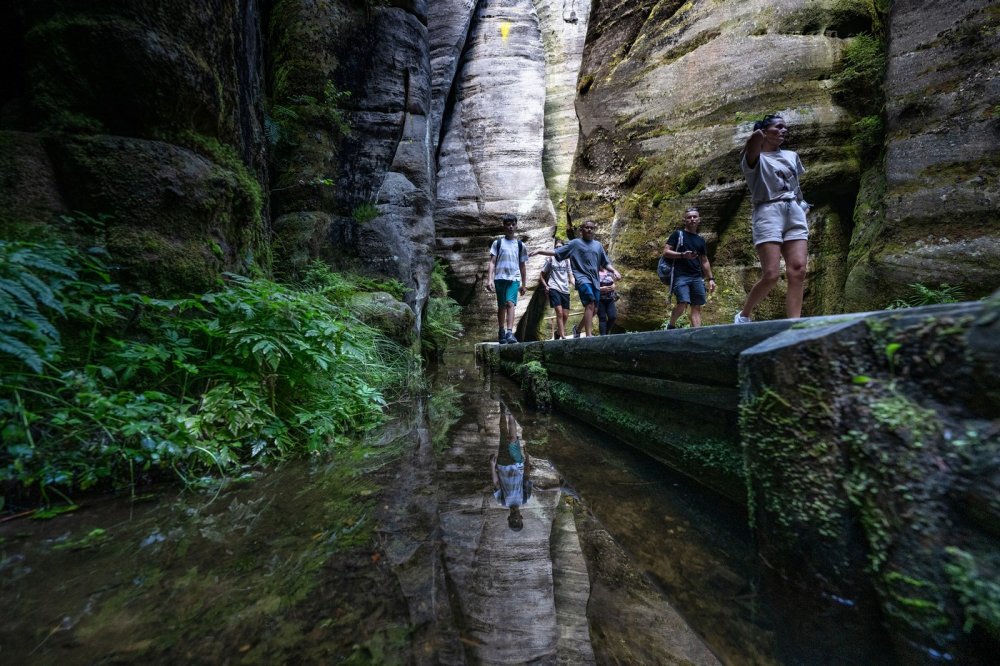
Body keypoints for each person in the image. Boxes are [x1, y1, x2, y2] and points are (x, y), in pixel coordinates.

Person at [734, 114, 810, 324]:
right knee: (771, 274)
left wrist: (801, 206)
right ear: (765, 132)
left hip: (793, 210)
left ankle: (793, 323)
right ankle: (744, 316)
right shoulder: (754, 158)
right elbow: (752, 144)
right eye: (779, 127)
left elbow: (795, 185)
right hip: (768, 211)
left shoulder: (791, 155)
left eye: (785, 127)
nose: (784, 131)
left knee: (798, 270)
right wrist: (760, 133)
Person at [531, 222, 621, 338]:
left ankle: (577, 330)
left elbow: (605, 263)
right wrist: (540, 251)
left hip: (595, 280)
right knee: (590, 303)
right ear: (581, 230)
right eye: (587, 228)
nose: (589, 230)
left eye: (592, 228)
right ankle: (588, 336)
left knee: (594, 310)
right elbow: (556, 252)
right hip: (582, 279)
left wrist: (614, 271)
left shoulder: (598, 246)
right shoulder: (575, 244)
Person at [664, 207, 716, 329]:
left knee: (696, 306)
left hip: (697, 277)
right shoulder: (678, 234)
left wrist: (711, 279)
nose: (692, 219)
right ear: (685, 220)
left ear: (699, 220)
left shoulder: (700, 240)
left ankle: (697, 334)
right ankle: (671, 326)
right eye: (689, 217)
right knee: (683, 302)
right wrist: (682, 255)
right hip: (680, 276)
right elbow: (666, 252)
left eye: (694, 217)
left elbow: (704, 260)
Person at [485, 213, 528, 344]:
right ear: (504, 226)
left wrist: (524, 284)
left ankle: (510, 333)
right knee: (502, 306)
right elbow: (492, 262)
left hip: (514, 279)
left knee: (510, 303)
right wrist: (490, 279)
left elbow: (522, 266)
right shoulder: (497, 243)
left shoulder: (520, 245)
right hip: (499, 278)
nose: (510, 227)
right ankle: (501, 331)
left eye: (513, 224)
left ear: (516, 226)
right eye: (508, 224)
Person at [490, 405, 532, 531]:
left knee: (503, 434)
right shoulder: (525, 498)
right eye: (517, 521)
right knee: (513, 439)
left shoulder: (502, 501)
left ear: (508, 519)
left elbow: (496, 483)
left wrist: (492, 466)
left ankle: (503, 409)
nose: (515, 519)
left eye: (512, 521)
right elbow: (526, 477)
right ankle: (511, 412)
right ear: (521, 517)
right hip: (517, 465)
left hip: (502, 465)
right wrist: (527, 457)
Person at [539, 240, 574, 339]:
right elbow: (541, 275)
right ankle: (563, 336)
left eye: (560, 247)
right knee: (559, 312)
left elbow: (570, 276)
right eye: (556, 247)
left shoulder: (567, 261)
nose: (558, 249)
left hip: (565, 289)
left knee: (566, 315)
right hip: (553, 287)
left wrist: (576, 284)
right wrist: (546, 285)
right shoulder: (551, 259)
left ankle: (558, 332)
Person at [597, 267, 618, 335]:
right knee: (602, 318)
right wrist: (600, 289)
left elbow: (614, 281)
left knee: (613, 317)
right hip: (599, 299)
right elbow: (591, 284)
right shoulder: (594, 271)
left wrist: (613, 286)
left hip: (610, 298)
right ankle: (603, 337)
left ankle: (606, 333)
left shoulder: (609, 270)